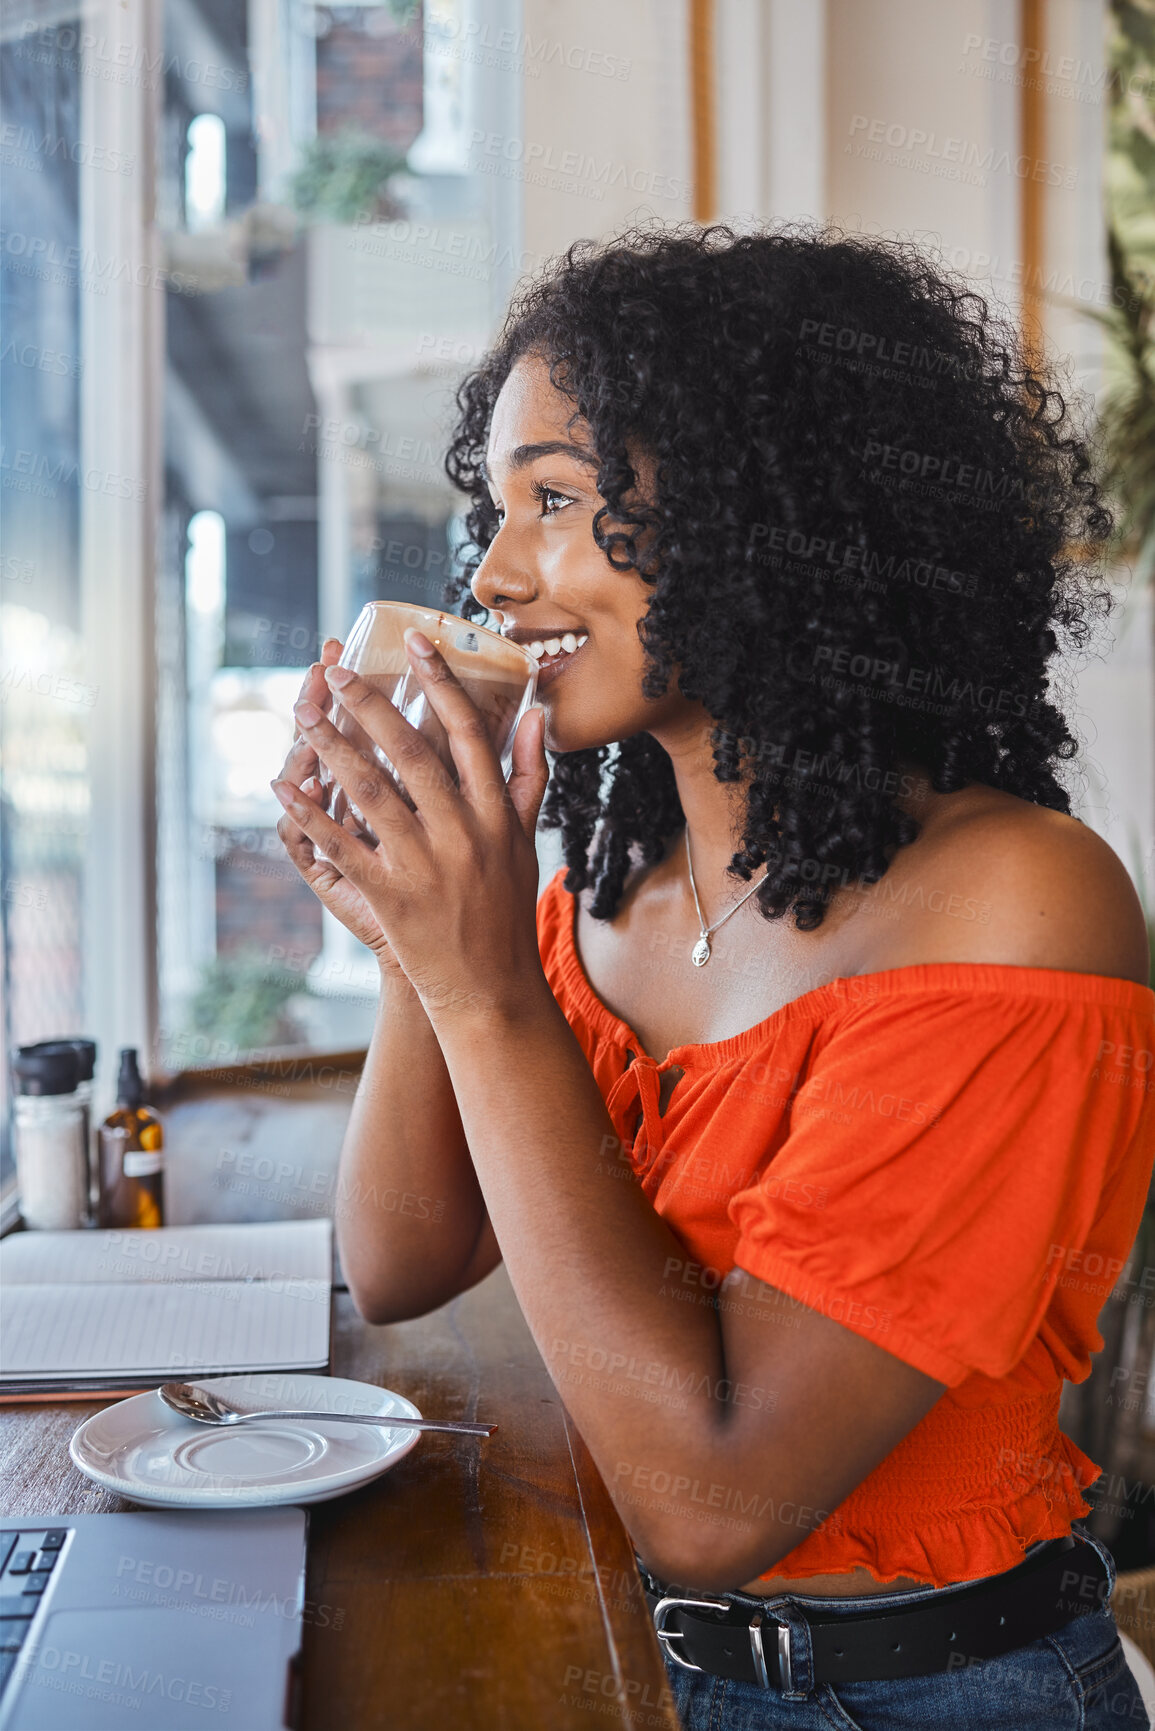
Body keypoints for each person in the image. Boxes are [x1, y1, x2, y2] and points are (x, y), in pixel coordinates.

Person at [272, 224, 1155, 1729]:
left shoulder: (1019, 903)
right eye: (497, 509)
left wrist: (480, 986)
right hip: (638, 1663)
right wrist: (419, 927)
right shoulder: (611, 889)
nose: (493, 573)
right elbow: (404, 1260)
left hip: (922, 1692)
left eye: (556, 498)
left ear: (771, 513)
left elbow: (713, 1497)